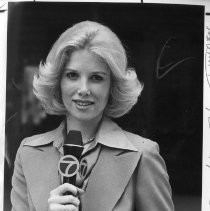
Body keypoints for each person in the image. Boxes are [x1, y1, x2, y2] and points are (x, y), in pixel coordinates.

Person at [11, 21, 174, 211]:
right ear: (57, 81)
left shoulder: (143, 155)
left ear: (112, 87)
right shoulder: (28, 152)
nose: (83, 89)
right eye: (72, 75)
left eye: (96, 78)